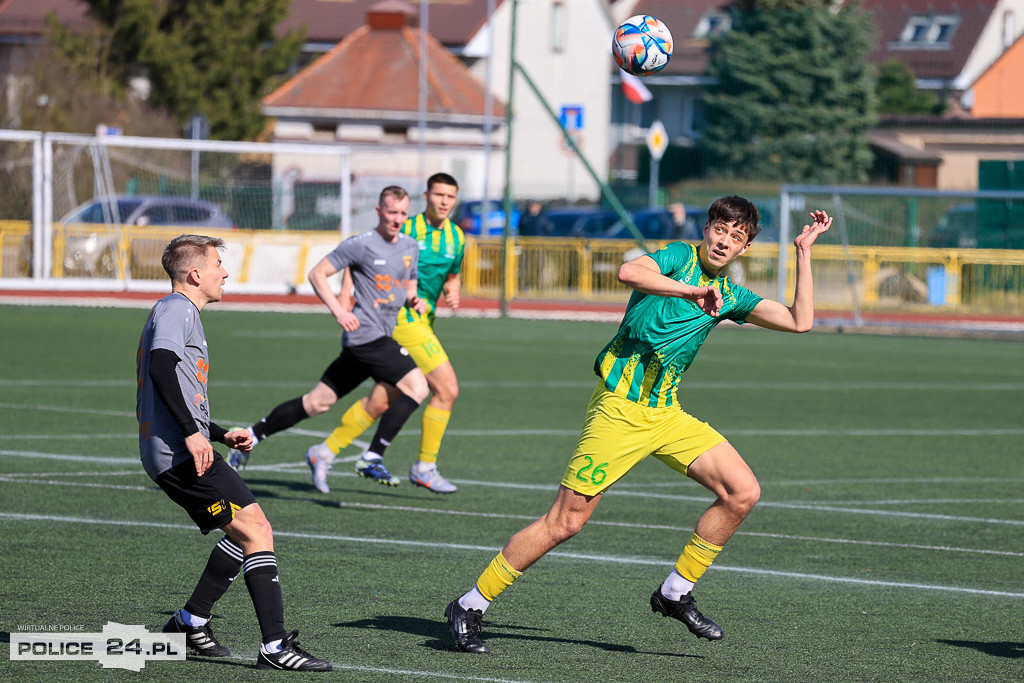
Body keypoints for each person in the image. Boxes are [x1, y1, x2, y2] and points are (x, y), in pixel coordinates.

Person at [444, 196, 833, 654]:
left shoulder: (730, 295)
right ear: (706, 228)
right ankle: (470, 604)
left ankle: (674, 592)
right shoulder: (676, 257)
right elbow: (629, 273)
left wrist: (804, 251)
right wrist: (690, 291)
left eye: (737, 237)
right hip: (619, 409)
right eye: (721, 230)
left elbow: (800, 321)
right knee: (565, 522)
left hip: (665, 413)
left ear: (744, 249)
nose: (725, 242)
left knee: (742, 492)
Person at [138, 234, 330, 671]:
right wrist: (191, 434)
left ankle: (190, 621)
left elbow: (181, 390)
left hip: (182, 447)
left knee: (245, 532)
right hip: (178, 454)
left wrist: (219, 434)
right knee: (257, 530)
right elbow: (160, 368)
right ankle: (276, 646)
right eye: (219, 264)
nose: (226, 273)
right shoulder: (176, 309)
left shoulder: (180, 312)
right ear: (195, 274)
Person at [231, 186, 429, 486]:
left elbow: (410, 288)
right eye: (391, 212)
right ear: (379, 211)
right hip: (366, 337)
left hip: (370, 341)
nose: (397, 219)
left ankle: (251, 436)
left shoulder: (410, 247)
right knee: (418, 386)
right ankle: (373, 456)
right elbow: (317, 274)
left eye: (403, 213)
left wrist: (416, 300)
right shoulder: (361, 244)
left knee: (316, 403)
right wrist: (339, 310)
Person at [302, 172, 465, 494]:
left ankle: (324, 452)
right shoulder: (406, 227)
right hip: (400, 321)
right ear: (427, 197)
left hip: (422, 320)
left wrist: (452, 290)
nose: (444, 202)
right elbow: (364, 257)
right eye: (438, 195)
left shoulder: (457, 237)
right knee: (447, 389)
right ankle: (424, 466)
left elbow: (453, 274)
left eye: (450, 196)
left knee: (382, 398)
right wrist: (347, 296)